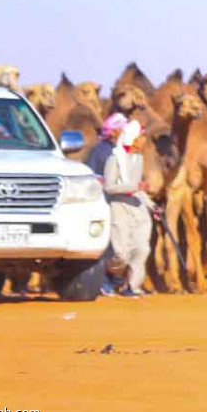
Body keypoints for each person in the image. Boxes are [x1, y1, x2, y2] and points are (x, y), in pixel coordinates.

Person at [102, 120, 154, 298]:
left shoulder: (138, 159)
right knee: (120, 252)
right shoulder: (114, 159)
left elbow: (138, 189)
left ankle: (133, 286)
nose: (144, 140)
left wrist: (151, 204)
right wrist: (133, 187)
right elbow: (109, 187)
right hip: (119, 207)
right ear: (134, 139)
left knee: (141, 248)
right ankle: (109, 275)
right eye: (142, 137)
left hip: (137, 207)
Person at [88, 113, 127, 296]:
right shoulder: (99, 152)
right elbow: (93, 177)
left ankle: (117, 282)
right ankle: (104, 283)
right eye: (122, 129)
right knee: (107, 246)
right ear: (114, 132)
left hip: (121, 203)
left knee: (121, 245)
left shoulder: (121, 151)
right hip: (104, 203)